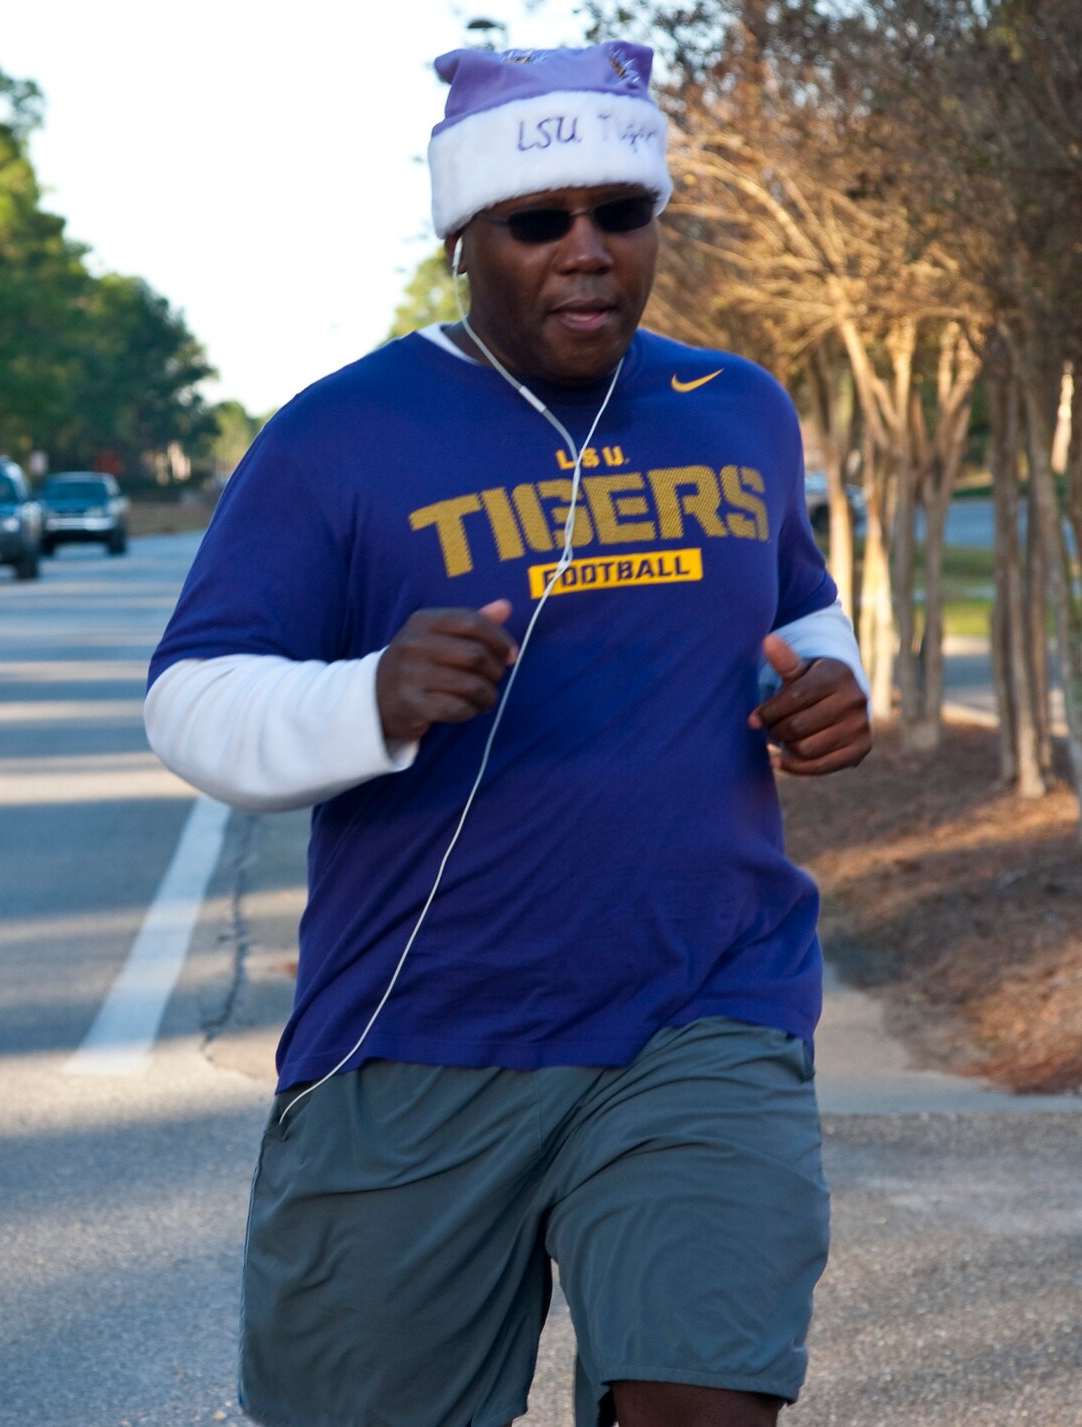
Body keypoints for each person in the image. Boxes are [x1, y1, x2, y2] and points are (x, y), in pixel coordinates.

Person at [146, 42, 872, 1427]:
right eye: (541, 223)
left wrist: (827, 682)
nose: (588, 250)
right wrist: (367, 696)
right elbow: (190, 699)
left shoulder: (738, 410)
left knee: (705, 1403)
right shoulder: (338, 436)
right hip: (419, 1037)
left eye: (623, 213)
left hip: (704, 1006)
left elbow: (795, 601)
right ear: (466, 238)